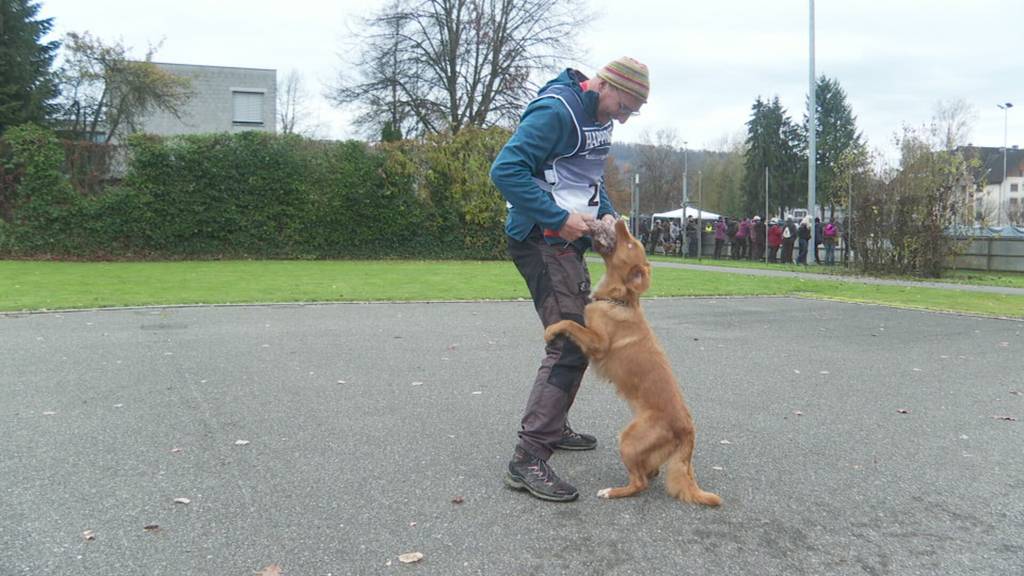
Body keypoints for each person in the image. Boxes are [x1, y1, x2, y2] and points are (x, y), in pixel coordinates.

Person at [490, 56, 649, 503]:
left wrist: (608, 214)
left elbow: (587, 178)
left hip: (566, 241)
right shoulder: (555, 111)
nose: (624, 117)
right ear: (606, 84)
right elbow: (505, 170)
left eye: (633, 112)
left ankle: (553, 426)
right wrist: (557, 218)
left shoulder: (599, 118)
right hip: (539, 239)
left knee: (576, 338)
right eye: (625, 106)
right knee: (572, 343)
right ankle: (528, 458)